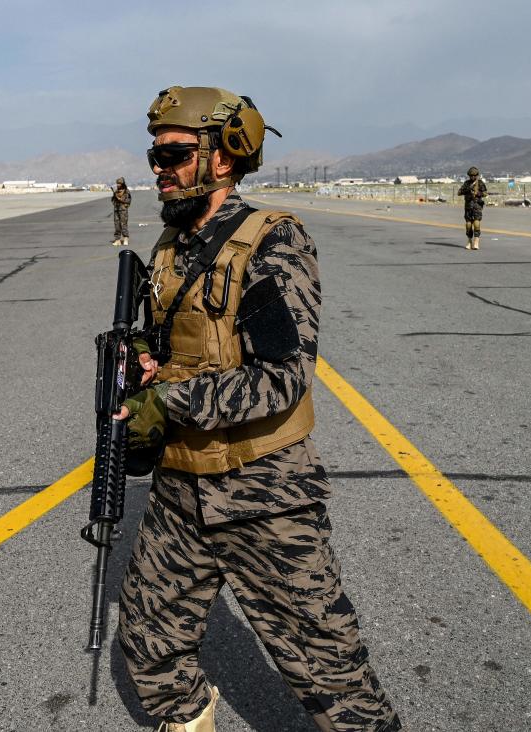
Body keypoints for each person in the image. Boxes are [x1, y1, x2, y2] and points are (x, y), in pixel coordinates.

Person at [114, 86, 401, 732]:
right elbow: (183, 349)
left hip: (263, 492)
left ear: (224, 157)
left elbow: (282, 379)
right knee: (149, 638)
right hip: (181, 485)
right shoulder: (168, 248)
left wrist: (168, 398)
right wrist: (145, 367)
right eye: (155, 156)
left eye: (176, 155)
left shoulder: (272, 242)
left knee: (332, 678)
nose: (159, 169)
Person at [459, 166, 487, 250]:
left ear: (477, 175)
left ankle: (476, 241)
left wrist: (479, 193)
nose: (473, 177)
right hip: (468, 206)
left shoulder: (480, 183)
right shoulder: (467, 183)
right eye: (471, 175)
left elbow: (485, 193)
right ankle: (469, 240)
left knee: (476, 223)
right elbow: (459, 192)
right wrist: (468, 189)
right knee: (468, 224)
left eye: (474, 175)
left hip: (477, 206)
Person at [111, 177, 132, 245]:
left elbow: (126, 200)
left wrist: (118, 197)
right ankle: (118, 239)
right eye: (117, 183)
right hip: (116, 209)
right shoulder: (116, 191)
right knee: (117, 224)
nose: (118, 185)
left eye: (119, 183)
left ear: (122, 184)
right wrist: (115, 197)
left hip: (123, 210)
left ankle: (125, 238)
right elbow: (113, 200)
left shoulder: (126, 191)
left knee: (123, 224)